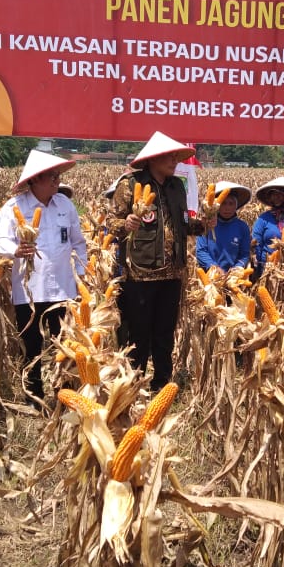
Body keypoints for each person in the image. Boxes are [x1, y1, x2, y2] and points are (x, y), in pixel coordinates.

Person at [110, 131, 208, 392]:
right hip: (140, 272)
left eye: (176, 156)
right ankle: (135, 384)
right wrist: (125, 223)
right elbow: (110, 223)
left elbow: (182, 224)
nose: (174, 160)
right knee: (139, 333)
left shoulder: (177, 187)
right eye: (169, 156)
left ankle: (162, 383)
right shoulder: (129, 184)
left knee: (165, 332)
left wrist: (203, 225)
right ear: (153, 159)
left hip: (172, 273)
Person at [0, 149, 87, 403]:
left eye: (58, 176)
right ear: (34, 179)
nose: (57, 181)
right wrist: (16, 249)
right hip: (29, 291)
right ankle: (33, 395)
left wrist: (80, 275)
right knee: (30, 345)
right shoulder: (14, 207)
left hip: (64, 289)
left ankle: (64, 394)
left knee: (65, 346)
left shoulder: (65, 205)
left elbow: (79, 243)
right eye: (51, 176)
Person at [195, 181, 252, 273]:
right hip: (210, 274)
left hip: (233, 278)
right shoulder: (206, 224)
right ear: (216, 206)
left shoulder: (242, 227)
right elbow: (201, 251)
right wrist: (214, 268)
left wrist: (236, 269)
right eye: (223, 203)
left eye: (231, 203)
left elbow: (244, 255)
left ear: (236, 206)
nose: (227, 208)